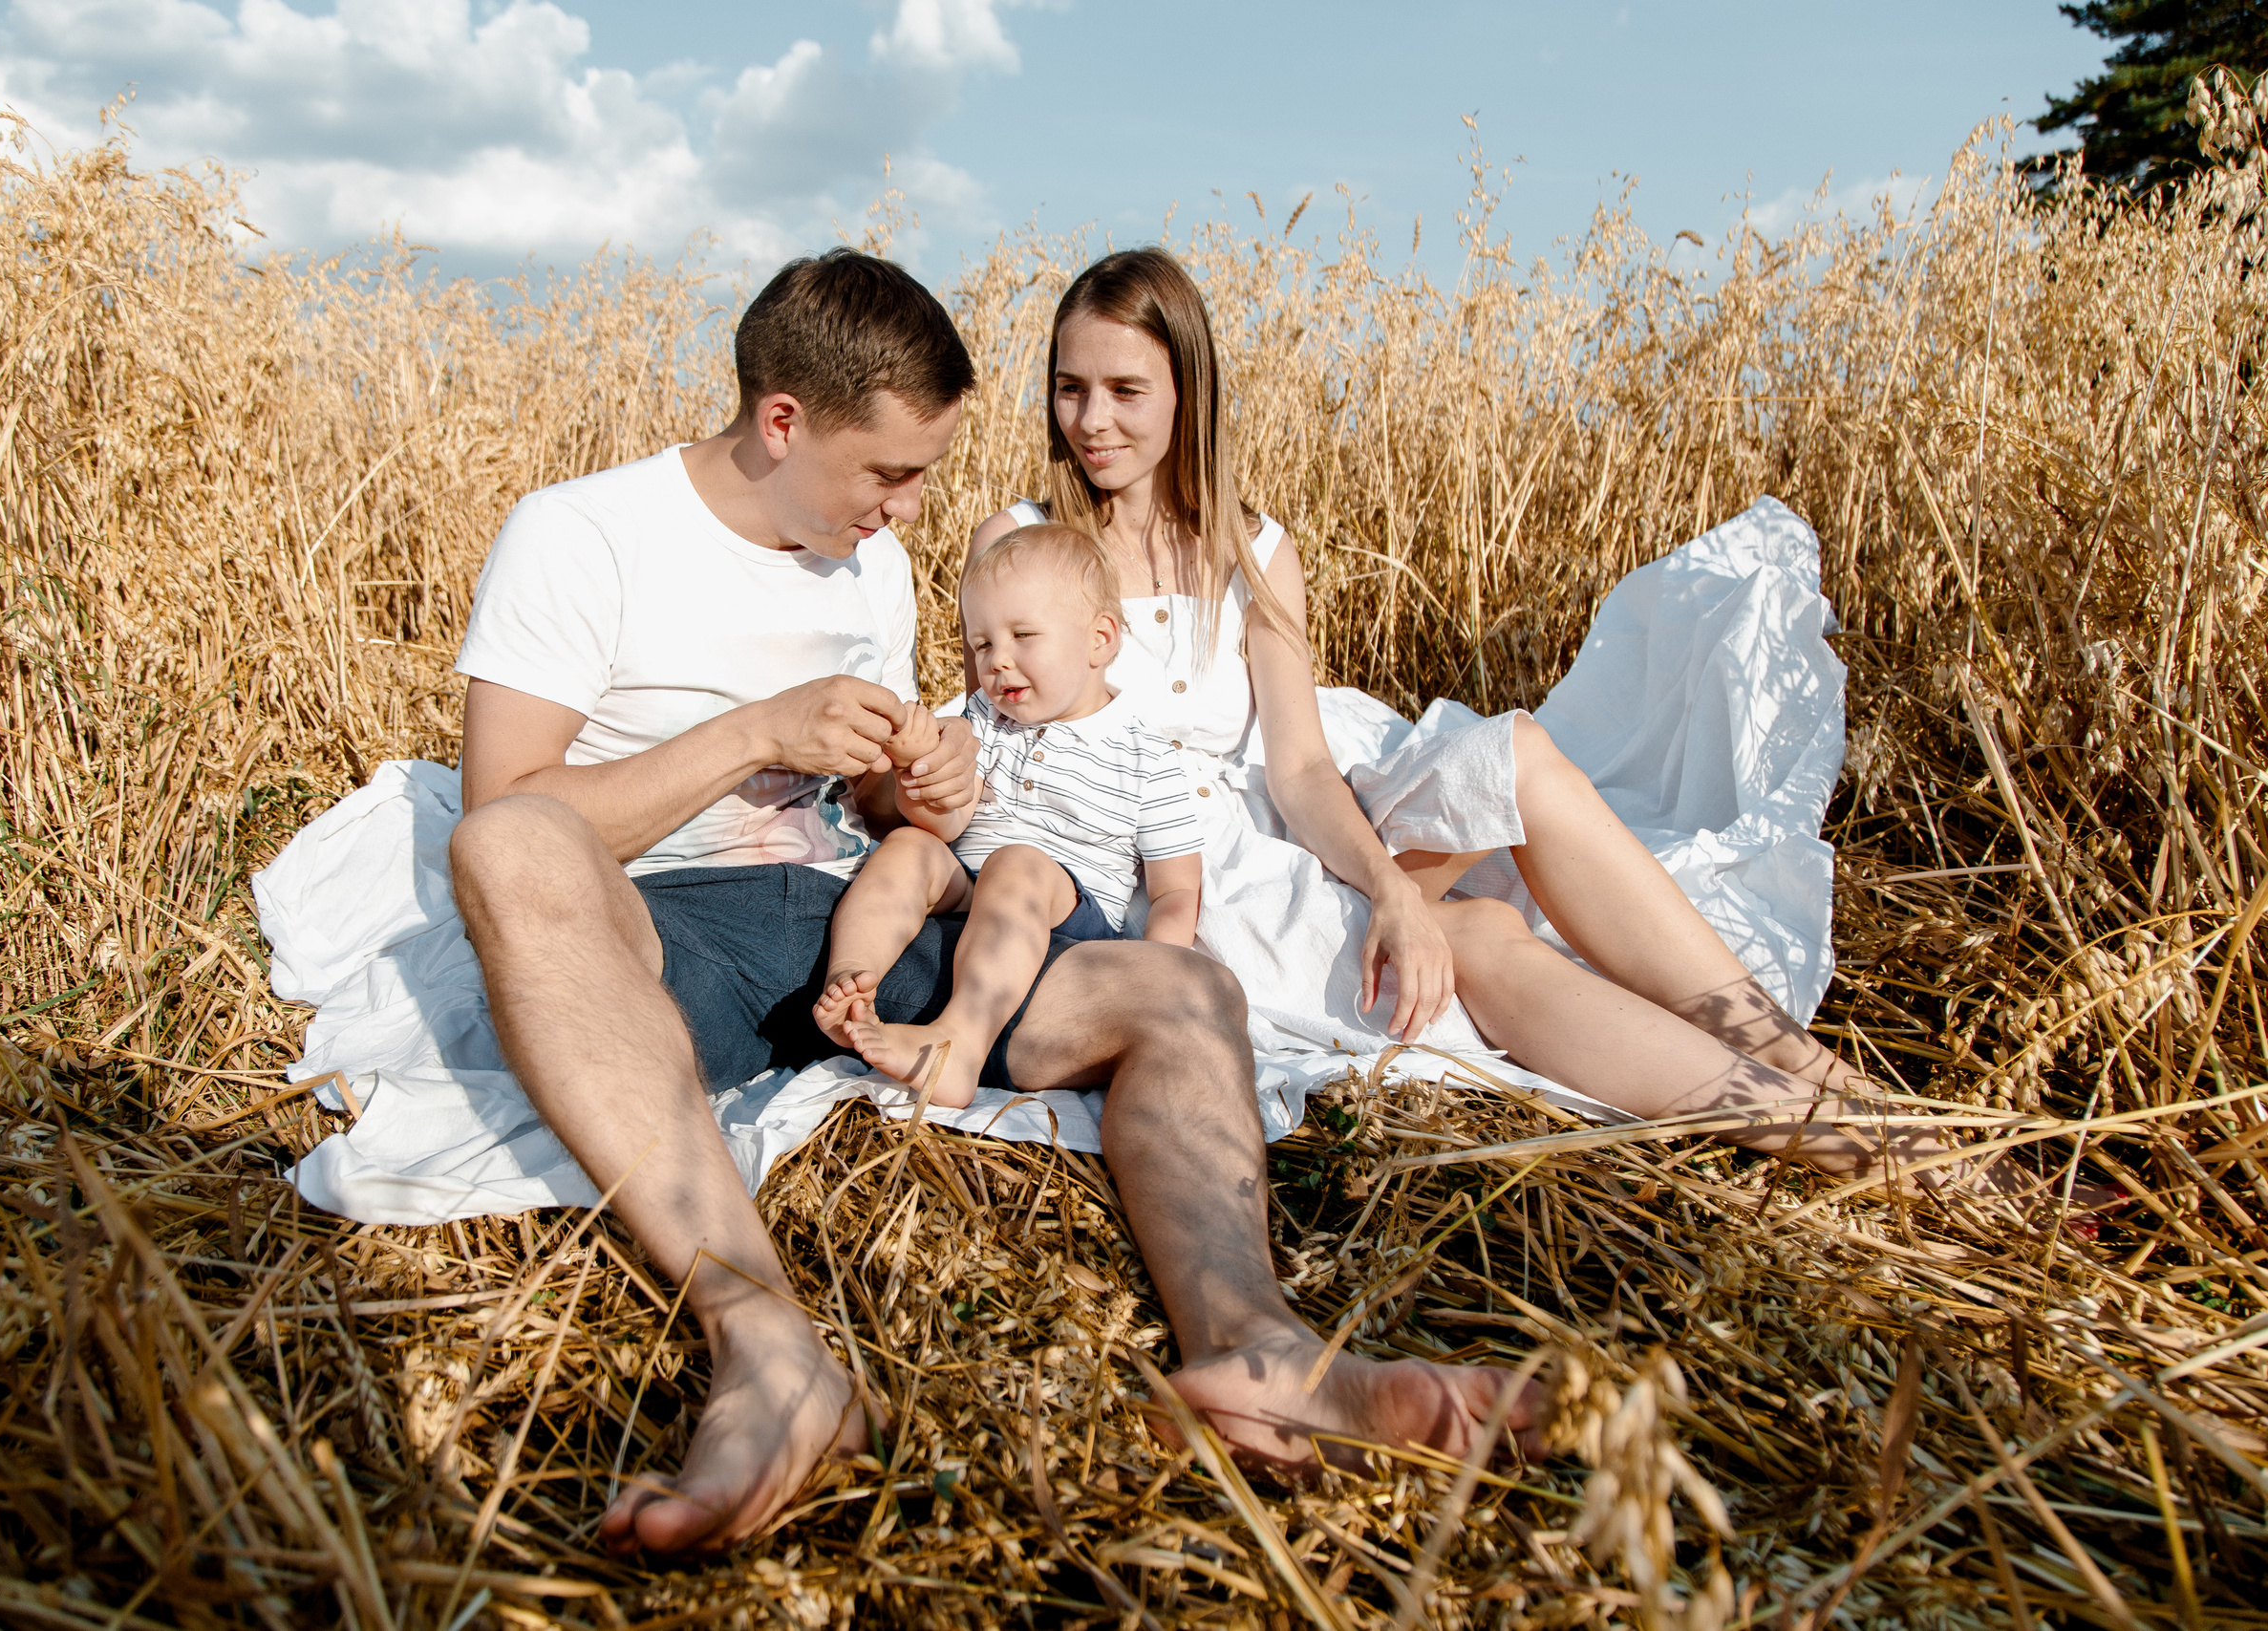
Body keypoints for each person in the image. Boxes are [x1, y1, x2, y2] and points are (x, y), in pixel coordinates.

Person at [445, 248, 1543, 1557]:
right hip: (661, 924)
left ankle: (1261, 1350)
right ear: (783, 420)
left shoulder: (869, 561)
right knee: (511, 853)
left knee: (1179, 981)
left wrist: (923, 787)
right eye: (890, 473)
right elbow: (507, 807)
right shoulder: (580, 533)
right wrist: (754, 733)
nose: (909, 510)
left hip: (867, 911)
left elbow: (876, 806)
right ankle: (772, 1357)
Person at [972, 245, 2025, 1192]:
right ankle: (1851, 1140)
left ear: (1186, 392)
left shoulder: (1254, 549)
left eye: (1123, 390)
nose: (1092, 421)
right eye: (1069, 389)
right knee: (1474, 934)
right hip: (1176, 862)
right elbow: (1003, 740)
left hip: (1284, 815)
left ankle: (1808, 1069)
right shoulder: (1020, 540)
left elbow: (1296, 767)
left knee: (1513, 757)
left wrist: (1386, 883)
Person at [814, 522, 1204, 1107]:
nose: (998, 661)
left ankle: (959, 1047)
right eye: (982, 644)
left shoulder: (1150, 755)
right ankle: (851, 984)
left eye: (1024, 635)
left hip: (1067, 917)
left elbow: (1176, 890)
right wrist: (920, 774)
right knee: (909, 849)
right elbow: (941, 829)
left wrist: (1153, 969)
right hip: (971, 891)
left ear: (1100, 640)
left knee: (1018, 864)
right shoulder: (979, 723)